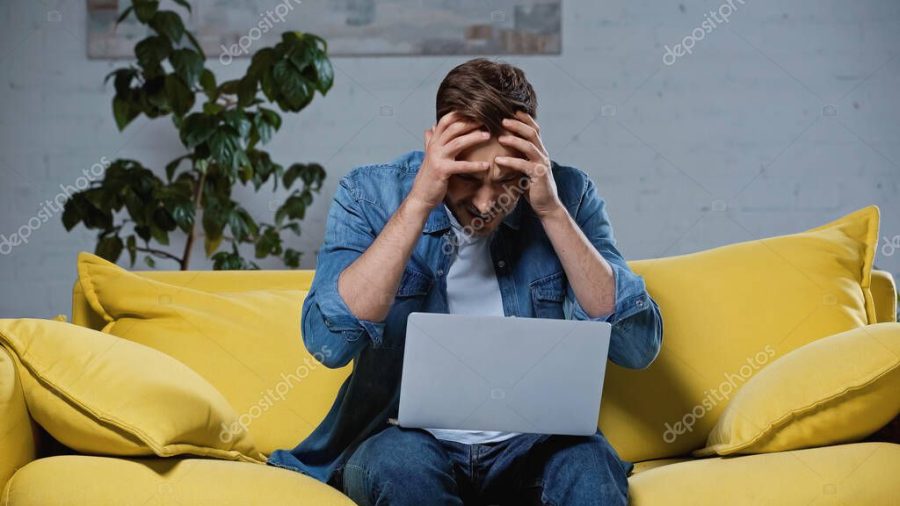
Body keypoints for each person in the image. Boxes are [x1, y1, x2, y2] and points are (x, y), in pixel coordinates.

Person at [267, 58, 663, 505]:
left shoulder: (568, 194)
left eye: (505, 180)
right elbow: (328, 344)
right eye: (467, 178)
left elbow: (636, 347)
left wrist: (552, 211)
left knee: (589, 463)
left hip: (533, 443)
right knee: (401, 468)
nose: (487, 202)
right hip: (404, 438)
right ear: (435, 147)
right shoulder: (369, 194)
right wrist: (420, 201)